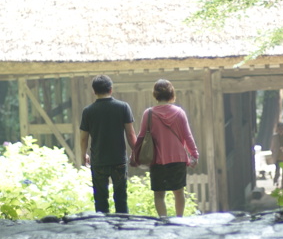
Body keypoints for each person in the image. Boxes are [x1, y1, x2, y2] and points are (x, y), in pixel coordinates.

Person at [132, 79, 199, 217]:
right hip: (178, 158)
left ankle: (163, 221)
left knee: (159, 194)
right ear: (171, 93)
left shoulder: (148, 114)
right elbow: (188, 136)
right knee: (179, 192)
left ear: (155, 94)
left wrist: (135, 154)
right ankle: (179, 219)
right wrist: (194, 155)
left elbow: (141, 137)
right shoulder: (179, 112)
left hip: (157, 159)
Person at [79, 75, 136, 214]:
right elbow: (130, 134)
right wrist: (136, 152)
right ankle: (122, 229)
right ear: (111, 89)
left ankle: (101, 230)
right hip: (118, 160)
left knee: (100, 199)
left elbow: (83, 138)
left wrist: (83, 154)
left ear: (94, 91)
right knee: (121, 198)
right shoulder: (123, 107)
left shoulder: (88, 111)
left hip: (98, 161)